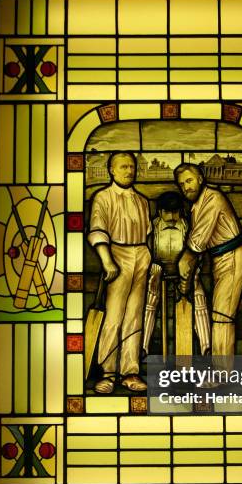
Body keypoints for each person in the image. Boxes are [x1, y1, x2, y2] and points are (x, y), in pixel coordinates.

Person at [87, 152, 151, 394]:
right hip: (117, 254)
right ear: (111, 170)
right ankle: (108, 372)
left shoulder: (142, 201)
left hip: (141, 255)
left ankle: (130, 371)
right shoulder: (103, 197)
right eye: (123, 167)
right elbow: (97, 229)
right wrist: (107, 260)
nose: (129, 171)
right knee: (113, 315)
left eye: (132, 167)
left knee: (135, 315)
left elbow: (148, 232)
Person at [174, 163, 242, 357]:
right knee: (220, 316)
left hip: (231, 258)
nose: (186, 187)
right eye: (181, 184)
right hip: (220, 260)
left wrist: (185, 265)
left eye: (189, 181)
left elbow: (197, 242)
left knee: (222, 318)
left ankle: (222, 376)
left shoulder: (213, 199)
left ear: (200, 179)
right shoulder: (197, 205)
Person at [142, 191, 210, 356]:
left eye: (175, 212)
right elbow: (145, 250)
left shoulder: (187, 226)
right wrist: (152, 267)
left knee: (199, 297)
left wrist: (192, 272)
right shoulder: (152, 227)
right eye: (167, 212)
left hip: (186, 273)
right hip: (158, 271)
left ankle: (206, 346)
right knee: (150, 299)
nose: (172, 216)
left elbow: (197, 254)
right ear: (160, 212)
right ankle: (142, 346)